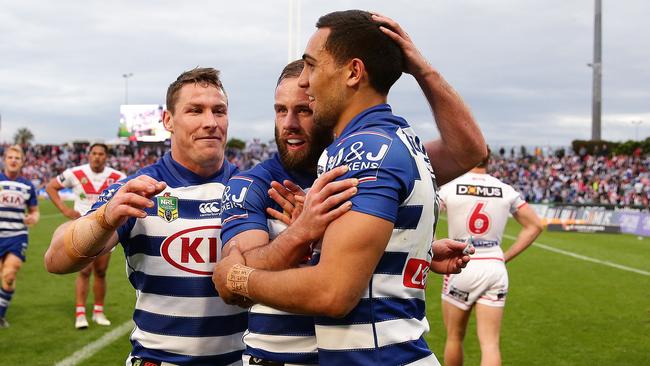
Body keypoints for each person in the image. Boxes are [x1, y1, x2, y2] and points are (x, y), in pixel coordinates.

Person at [214, 10, 485, 365]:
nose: (306, 88)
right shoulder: (396, 141)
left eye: (312, 67)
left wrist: (237, 277)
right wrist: (410, 248)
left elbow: (332, 291)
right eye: (281, 110)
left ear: (354, 72)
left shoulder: (362, 152)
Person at [45, 68, 248, 365]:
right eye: (195, 110)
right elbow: (56, 259)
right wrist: (104, 219)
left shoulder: (251, 188)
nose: (210, 122)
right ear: (168, 121)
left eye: (219, 111)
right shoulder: (139, 188)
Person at [437, 149, 543, 366]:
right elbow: (535, 225)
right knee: (490, 344)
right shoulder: (505, 189)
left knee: (454, 337)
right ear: (489, 159)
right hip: (495, 266)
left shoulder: (450, 187)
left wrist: (432, 245)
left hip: (463, 263)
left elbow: (423, 214)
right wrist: (505, 256)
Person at [45, 142, 126, 329]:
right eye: (94, 153)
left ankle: (98, 311)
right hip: (81, 230)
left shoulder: (118, 177)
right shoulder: (76, 173)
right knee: (84, 271)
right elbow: (51, 187)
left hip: (105, 231)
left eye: (101, 154)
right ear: (89, 155)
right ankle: (80, 313)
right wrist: (64, 209)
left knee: (100, 271)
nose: (97, 156)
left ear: (106, 157)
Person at [0, 145, 39, 328]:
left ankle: (0, 315)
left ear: (22, 162)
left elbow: (35, 211)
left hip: (17, 235)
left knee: (9, 275)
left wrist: (33, 217)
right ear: (4, 159)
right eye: (10, 157)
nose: (13, 160)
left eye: (17, 158)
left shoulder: (27, 186)